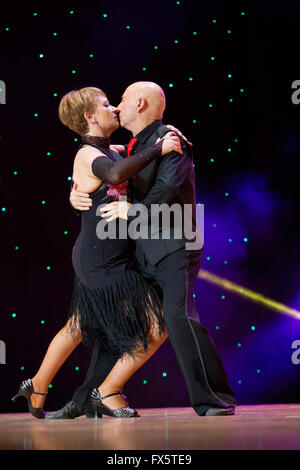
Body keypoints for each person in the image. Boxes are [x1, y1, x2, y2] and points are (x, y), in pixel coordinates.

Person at [56, 81, 237, 418]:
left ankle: (213, 398)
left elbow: (167, 189)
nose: (116, 107)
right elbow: (102, 168)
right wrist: (74, 189)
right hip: (146, 247)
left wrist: (132, 211)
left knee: (178, 316)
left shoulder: (172, 139)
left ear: (139, 103)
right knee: (124, 322)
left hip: (175, 242)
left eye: (120, 100)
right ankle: (88, 399)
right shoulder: (135, 145)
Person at [11, 86, 183, 419]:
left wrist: (163, 139)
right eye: (106, 105)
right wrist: (160, 149)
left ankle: (37, 385)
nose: (115, 109)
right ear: (90, 117)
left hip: (102, 256)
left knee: (78, 325)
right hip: (101, 260)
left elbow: (126, 158)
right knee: (156, 326)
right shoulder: (87, 154)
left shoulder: (110, 150)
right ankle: (109, 390)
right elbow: (117, 174)